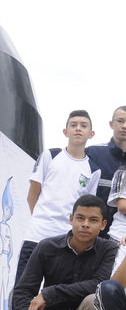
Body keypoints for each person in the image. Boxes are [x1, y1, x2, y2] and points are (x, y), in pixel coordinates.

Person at [12, 195, 118, 310]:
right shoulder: (46, 246)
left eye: (93, 220)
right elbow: (22, 293)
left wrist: (49, 293)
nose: (85, 224)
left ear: (103, 225)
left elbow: (100, 283)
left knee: (95, 298)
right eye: (80, 218)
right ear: (71, 219)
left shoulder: (109, 249)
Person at [15, 110, 101, 286]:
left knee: (54, 292)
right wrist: (40, 219)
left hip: (66, 240)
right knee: (23, 287)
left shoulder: (93, 170)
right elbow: (33, 192)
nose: (78, 129)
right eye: (74, 125)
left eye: (83, 126)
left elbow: (86, 207)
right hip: (37, 234)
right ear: (65, 131)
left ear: (91, 134)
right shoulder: (50, 155)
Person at [86, 105, 126, 237]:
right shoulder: (92, 153)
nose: (125, 126)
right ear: (111, 124)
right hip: (90, 228)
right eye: (120, 121)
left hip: (121, 234)